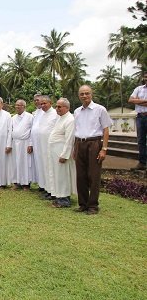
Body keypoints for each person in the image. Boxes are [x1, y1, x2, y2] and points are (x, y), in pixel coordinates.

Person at [74, 85, 112, 214]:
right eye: (82, 94)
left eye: (87, 93)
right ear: (78, 96)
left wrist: (104, 149)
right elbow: (76, 130)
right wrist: (75, 149)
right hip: (80, 143)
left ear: (92, 94)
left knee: (94, 175)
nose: (84, 96)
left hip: (94, 144)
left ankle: (93, 206)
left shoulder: (100, 109)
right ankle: (83, 204)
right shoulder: (77, 111)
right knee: (80, 176)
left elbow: (106, 130)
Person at [47, 98, 76, 208]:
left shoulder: (70, 119)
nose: (57, 108)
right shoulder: (60, 118)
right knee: (57, 176)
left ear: (67, 108)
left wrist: (64, 155)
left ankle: (64, 200)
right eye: (56, 106)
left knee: (63, 177)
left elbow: (69, 140)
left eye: (59, 106)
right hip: (55, 153)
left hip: (62, 154)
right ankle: (59, 197)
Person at [31, 95, 58, 198]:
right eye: (41, 104)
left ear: (50, 103)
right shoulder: (42, 114)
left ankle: (53, 192)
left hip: (50, 146)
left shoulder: (55, 114)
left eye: (44, 103)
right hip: (41, 146)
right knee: (44, 168)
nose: (43, 105)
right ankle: (47, 189)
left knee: (50, 168)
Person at [10, 100, 34, 190]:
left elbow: (33, 131)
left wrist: (31, 144)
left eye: (19, 105)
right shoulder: (13, 118)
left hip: (25, 143)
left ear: (24, 106)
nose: (17, 107)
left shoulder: (30, 117)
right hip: (15, 143)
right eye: (16, 105)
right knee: (16, 163)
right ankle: (17, 182)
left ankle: (26, 183)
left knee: (25, 163)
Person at [128, 71, 147, 170]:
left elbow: (134, 101)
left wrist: (138, 101)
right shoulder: (138, 89)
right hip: (140, 117)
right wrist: (144, 102)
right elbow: (130, 100)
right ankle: (142, 163)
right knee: (141, 140)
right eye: (145, 77)